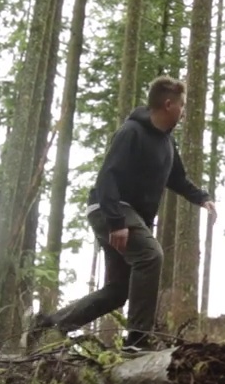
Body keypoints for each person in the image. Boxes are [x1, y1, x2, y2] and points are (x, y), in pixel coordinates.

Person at [31, 76, 215, 351]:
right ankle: (138, 342)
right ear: (168, 105)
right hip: (110, 209)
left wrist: (202, 198)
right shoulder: (131, 132)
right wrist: (116, 221)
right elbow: (108, 177)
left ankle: (49, 326)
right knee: (150, 255)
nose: (185, 110)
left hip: (129, 218)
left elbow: (176, 179)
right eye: (182, 105)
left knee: (118, 291)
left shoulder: (167, 142)